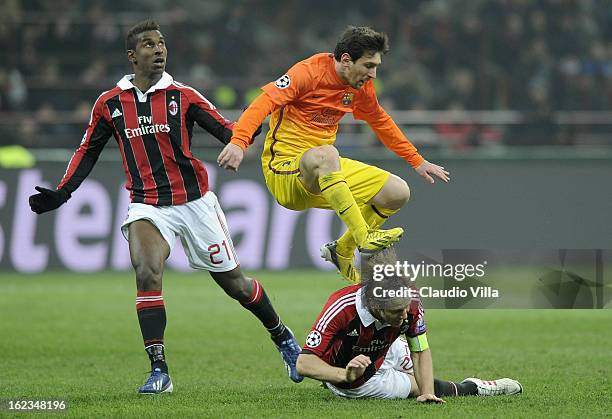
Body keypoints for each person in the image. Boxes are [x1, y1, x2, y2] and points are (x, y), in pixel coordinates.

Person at [28, 20, 302, 394]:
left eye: (161, 43)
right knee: (147, 272)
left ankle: (283, 338)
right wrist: (63, 192)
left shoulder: (182, 96)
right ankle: (159, 369)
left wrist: (261, 121)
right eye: (148, 44)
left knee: (236, 286)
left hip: (195, 204)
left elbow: (228, 129)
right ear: (132, 56)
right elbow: (86, 151)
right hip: (148, 205)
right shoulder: (109, 104)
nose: (158, 49)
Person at [217, 26, 450, 283]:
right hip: (286, 170)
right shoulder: (308, 73)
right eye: (369, 65)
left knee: (397, 192)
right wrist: (239, 142)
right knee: (328, 153)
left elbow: (380, 120)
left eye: (376, 67)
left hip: (325, 169)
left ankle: (343, 249)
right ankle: (364, 238)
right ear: (347, 60)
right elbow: (263, 102)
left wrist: (416, 161)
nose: (373, 74)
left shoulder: (360, 86)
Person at [295, 247, 522, 401]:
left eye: (406, 307)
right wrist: (344, 375)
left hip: (386, 346)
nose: (405, 315)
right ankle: (473, 388)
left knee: (425, 385)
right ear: (376, 307)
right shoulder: (341, 306)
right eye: (397, 311)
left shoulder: (408, 300)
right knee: (416, 385)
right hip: (358, 380)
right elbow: (304, 364)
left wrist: (429, 393)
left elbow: (420, 348)